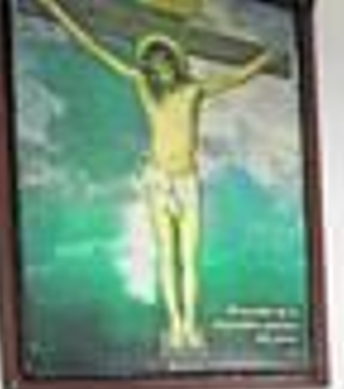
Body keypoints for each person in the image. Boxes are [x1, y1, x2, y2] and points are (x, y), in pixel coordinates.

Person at [35, 0, 276, 351]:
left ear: (174, 63)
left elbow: (234, 78)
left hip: (187, 180)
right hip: (158, 179)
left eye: (165, 60)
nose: (159, 67)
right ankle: (176, 325)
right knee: (166, 254)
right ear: (149, 64)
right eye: (154, 61)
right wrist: (56, 10)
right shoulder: (143, 85)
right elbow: (93, 47)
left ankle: (191, 324)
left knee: (188, 258)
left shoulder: (193, 90)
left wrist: (263, 61)